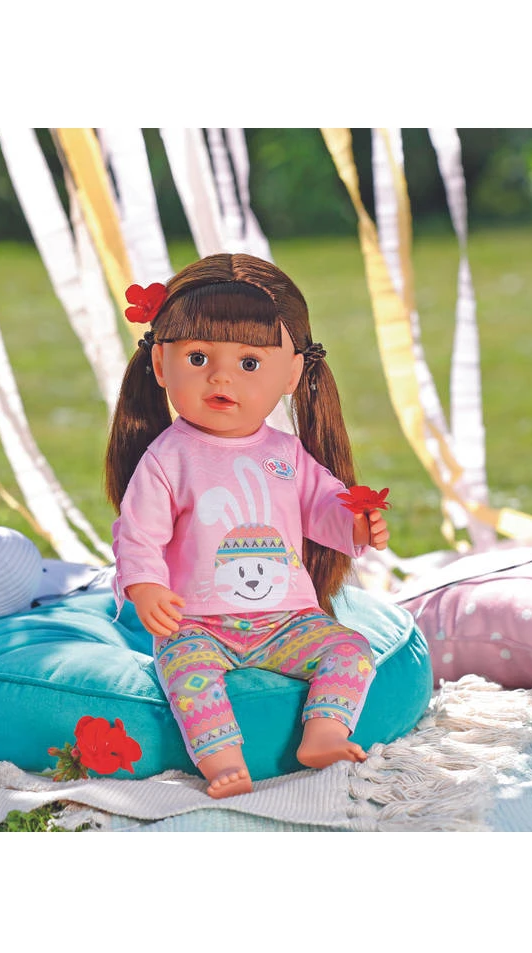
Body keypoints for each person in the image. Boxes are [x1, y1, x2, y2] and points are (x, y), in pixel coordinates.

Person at [104, 253, 389, 799]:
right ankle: (223, 761)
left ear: (292, 374)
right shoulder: (168, 457)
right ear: (160, 364)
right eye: (197, 357)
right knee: (188, 675)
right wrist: (144, 585)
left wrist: (356, 525)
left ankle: (325, 732)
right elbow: (139, 532)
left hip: (287, 619)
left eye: (250, 362)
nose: (221, 376)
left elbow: (322, 504)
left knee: (350, 648)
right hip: (197, 623)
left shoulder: (286, 454)